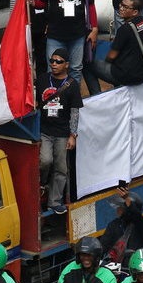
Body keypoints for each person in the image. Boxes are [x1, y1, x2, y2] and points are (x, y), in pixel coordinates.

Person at [34, 0, 98, 90]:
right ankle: (54, 100)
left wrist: (94, 28)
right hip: (55, 34)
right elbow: (41, 3)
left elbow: (91, 6)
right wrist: (29, 1)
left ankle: (73, 101)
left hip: (77, 34)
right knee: (53, 69)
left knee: (75, 69)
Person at [38, 48, 82, 214]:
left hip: (62, 133)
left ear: (67, 65)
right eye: (52, 61)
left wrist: (73, 135)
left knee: (61, 168)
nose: (54, 64)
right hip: (44, 131)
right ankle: (42, 184)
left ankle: (54, 202)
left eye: (58, 61)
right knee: (46, 161)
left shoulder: (72, 84)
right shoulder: (42, 79)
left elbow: (75, 111)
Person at [88, 0, 143, 87]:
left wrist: (108, 64)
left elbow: (111, 56)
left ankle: (96, 94)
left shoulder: (124, 29)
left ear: (135, 12)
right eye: (121, 5)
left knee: (88, 65)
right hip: (142, 74)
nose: (121, 8)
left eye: (125, 7)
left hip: (126, 76)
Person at [38, 236, 117, 283]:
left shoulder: (107, 275)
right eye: (83, 255)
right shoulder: (70, 269)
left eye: (89, 255)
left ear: (96, 257)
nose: (86, 258)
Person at [100, 187, 143, 261]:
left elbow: (135, 214)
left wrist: (126, 198)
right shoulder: (114, 225)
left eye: (121, 207)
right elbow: (104, 244)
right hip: (118, 264)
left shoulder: (139, 223)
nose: (118, 209)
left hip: (136, 261)